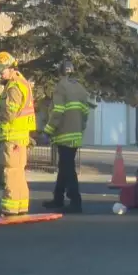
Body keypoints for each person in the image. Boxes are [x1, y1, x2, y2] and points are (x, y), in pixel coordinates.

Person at [0, 51, 36, 217]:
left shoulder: (14, 87)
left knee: (10, 172)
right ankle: (20, 205)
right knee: (18, 172)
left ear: (10, 68)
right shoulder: (22, 83)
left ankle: (10, 207)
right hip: (19, 137)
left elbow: (8, 114)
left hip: (11, 136)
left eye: (1, 71)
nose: (0, 74)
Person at [42, 60, 91, 213]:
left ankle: (76, 201)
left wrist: (48, 130)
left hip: (63, 134)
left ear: (60, 72)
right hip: (75, 134)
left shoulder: (61, 87)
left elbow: (57, 112)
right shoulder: (80, 88)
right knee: (64, 167)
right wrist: (80, 128)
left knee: (68, 169)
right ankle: (58, 198)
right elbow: (85, 113)